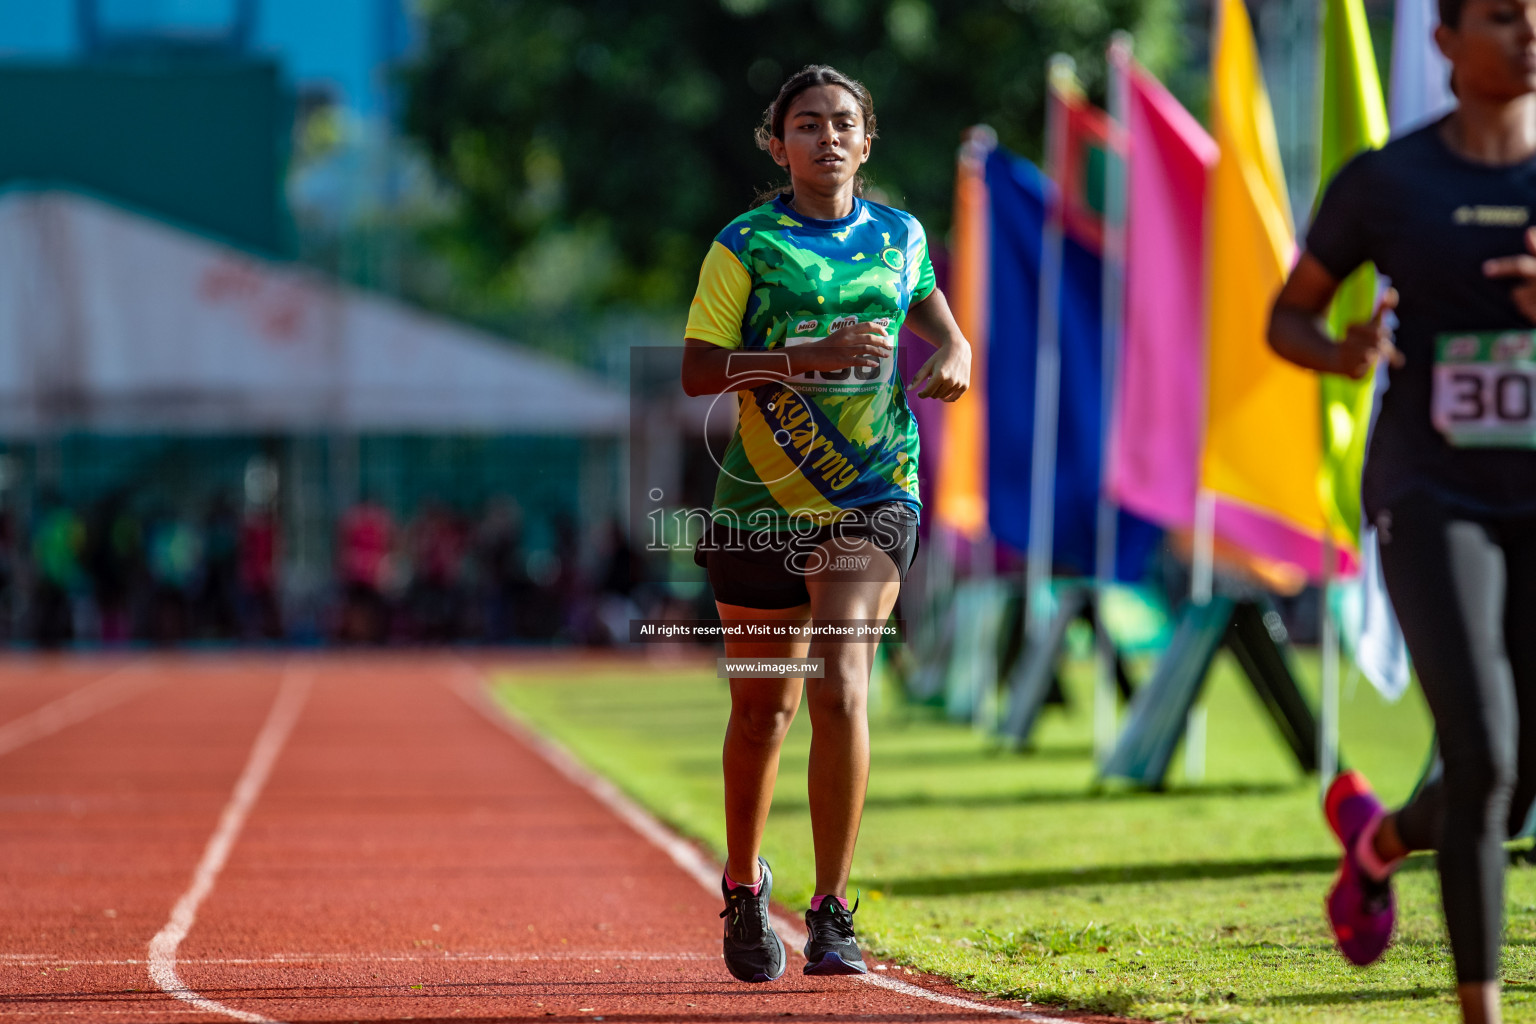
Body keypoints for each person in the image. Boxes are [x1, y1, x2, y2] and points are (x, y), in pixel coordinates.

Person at [1268, 3, 1536, 1020]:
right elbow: (1287, 313)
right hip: (1434, 490)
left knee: (1513, 779)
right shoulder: (1387, 181)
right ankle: (1483, 1011)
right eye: (1504, 16)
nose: (1530, 31)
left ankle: (1375, 845)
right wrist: (1339, 350)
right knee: (1482, 753)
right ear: (1445, 42)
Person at [680, 64, 970, 982]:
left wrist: (955, 351)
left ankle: (834, 909)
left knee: (842, 682)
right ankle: (742, 883)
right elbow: (696, 371)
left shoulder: (901, 236)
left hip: (872, 493)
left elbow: (938, 321)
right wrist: (809, 356)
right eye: (807, 125)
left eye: (844, 123)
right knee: (765, 712)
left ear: (867, 139)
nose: (828, 138)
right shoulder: (744, 245)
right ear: (778, 145)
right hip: (761, 501)